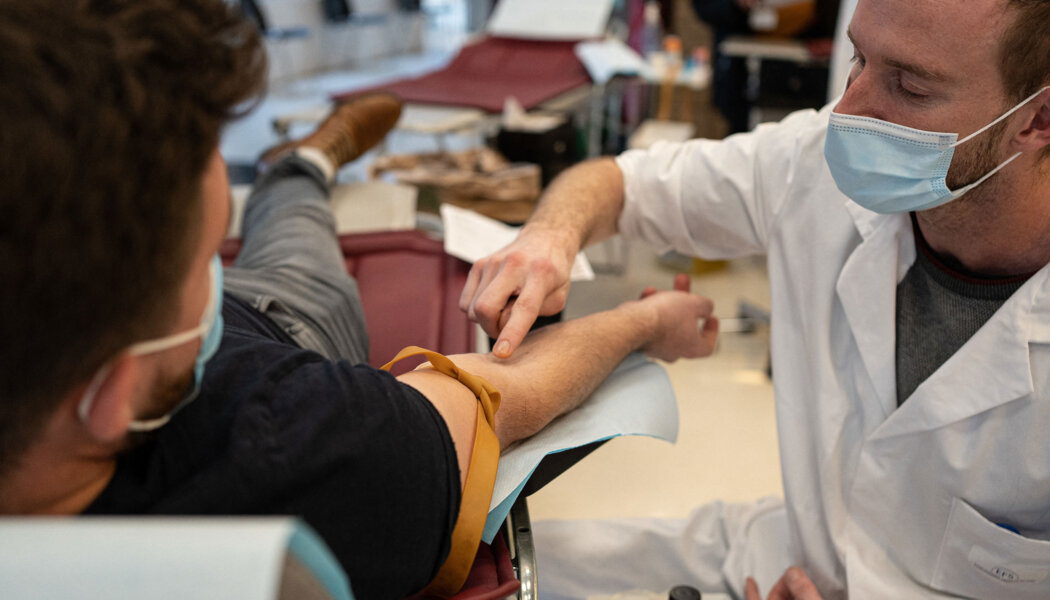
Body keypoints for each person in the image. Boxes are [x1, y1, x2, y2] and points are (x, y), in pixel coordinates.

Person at [0, 1, 718, 598]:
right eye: (205, 257)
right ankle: (299, 170)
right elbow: (507, 389)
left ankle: (305, 163)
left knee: (287, 222)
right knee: (291, 241)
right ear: (112, 395)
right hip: (283, 320)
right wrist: (647, 320)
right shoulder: (297, 448)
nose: (215, 273)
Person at [460, 0, 1050, 597]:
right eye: (859, 58)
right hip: (793, 550)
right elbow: (621, 185)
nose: (847, 110)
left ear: (1038, 118)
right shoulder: (809, 162)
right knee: (491, 573)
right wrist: (549, 236)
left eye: (911, 87)